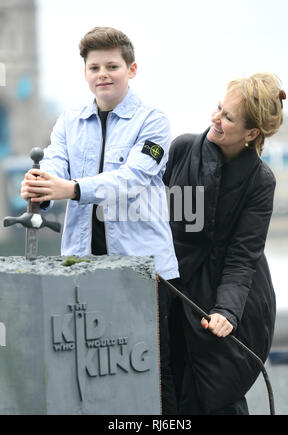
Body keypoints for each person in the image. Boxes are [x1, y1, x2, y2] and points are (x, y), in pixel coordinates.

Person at [21, 26, 178, 414]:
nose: (103, 74)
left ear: (132, 69)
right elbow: (55, 167)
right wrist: (39, 185)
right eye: (95, 67)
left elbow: (133, 179)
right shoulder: (68, 123)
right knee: (89, 371)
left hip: (146, 273)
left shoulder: (154, 122)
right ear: (85, 73)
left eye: (112, 65)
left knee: (153, 371)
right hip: (83, 267)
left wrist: (70, 189)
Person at [163, 73, 286, 415]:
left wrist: (227, 311)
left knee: (218, 397)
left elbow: (242, 257)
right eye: (219, 107)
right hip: (176, 290)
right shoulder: (182, 149)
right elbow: (156, 221)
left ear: (251, 134)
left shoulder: (261, 181)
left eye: (228, 117)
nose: (215, 118)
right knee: (169, 391)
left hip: (235, 303)